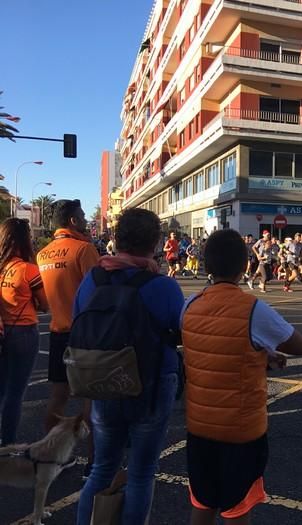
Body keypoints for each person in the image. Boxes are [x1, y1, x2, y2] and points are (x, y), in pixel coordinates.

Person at [182, 229, 302, 525]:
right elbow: (301, 347)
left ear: (207, 266)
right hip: (240, 431)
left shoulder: (189, 305)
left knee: (202, 502)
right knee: (236, 509)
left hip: (200, 427)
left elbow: (213, 347)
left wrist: (259, 355)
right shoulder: (253, 309)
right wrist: (265, 352)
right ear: (244, 267)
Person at [75, 209, 185, 525]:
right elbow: (180, 331)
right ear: (155, 243)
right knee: (140, 472)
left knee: (102, 468)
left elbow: (77, 321)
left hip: (102, 382)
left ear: (116, 239)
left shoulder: (91, 280)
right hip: (149, 386)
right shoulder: (162, 287)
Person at [36, 199, 99, 467]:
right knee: (92, 398)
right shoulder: (84, 249)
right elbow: (99, 292)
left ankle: (50, 455)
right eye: (83, 215)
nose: (85, 219)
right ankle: (94, 461)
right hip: (84, 334)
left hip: (57, 332)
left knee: (58, 396)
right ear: (73, 220)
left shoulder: (43, 254)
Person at [0, 219, 49, 444]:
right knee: (15, 392)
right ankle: (7, 444)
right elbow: (45, 304)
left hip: (2, 331)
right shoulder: (28, 270)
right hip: (24, 333)